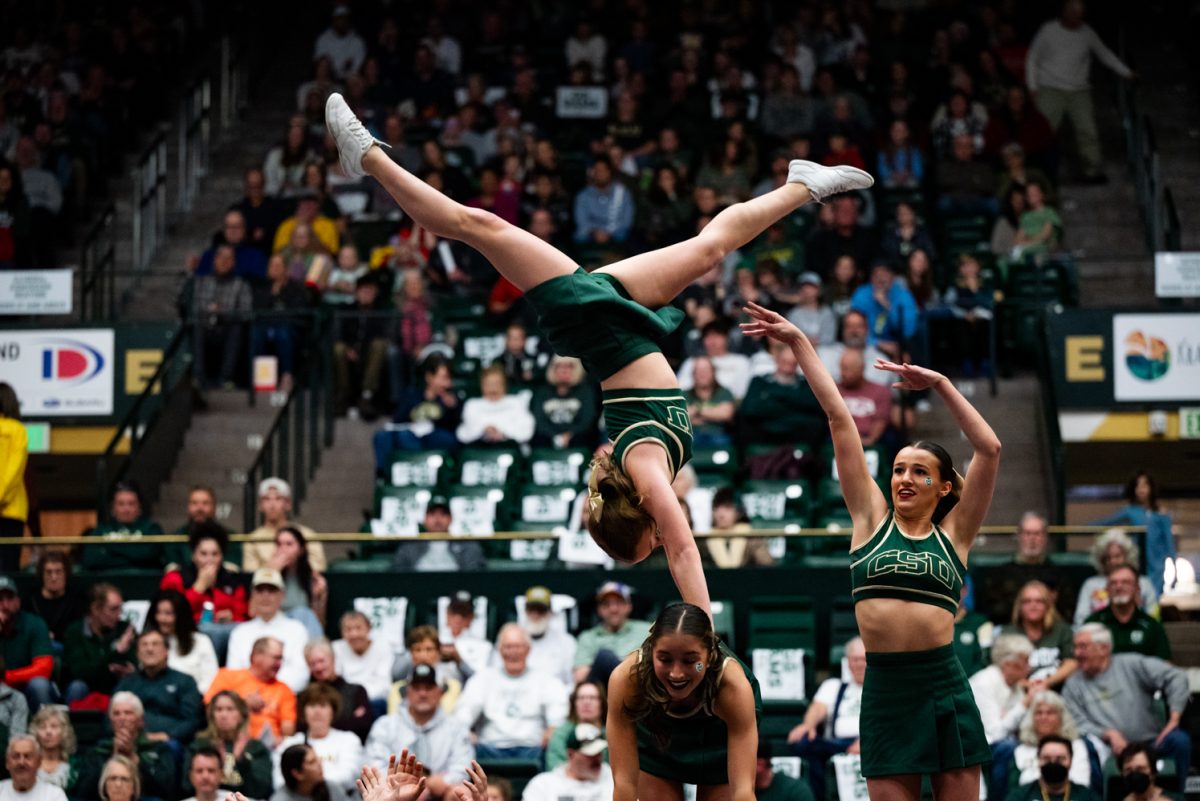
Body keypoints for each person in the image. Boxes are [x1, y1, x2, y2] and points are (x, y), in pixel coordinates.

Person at [328, 91, 872, 615]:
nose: (660, 542)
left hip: (598, 325)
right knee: (709, 249)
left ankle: (369, 156)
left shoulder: (645, 469)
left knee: (481, 226)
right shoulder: (647, 472)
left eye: (647, 544)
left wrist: (703, 627)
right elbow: (674, 543)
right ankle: (803, 185)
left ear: (638, 517)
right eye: (652, 548)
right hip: (618, 324)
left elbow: (684, 550)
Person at [741, 300, 1001, 800]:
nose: (904, 478)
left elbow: (989, 449)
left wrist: (943, 385)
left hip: (944, 683)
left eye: (919, 472)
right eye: (900, 468)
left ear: (945, 488)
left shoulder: (957, 535)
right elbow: (840, 417)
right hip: (884, 687)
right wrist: (799, 342)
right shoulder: (870, 519)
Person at [606, 602, 760, 801]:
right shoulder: (628, 680)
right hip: (658, 739)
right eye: (665, 659)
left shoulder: (733, 688)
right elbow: (624, 783)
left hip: (718, 739)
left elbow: (743, 792)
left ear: (710, 656)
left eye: (689, 661)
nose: (676, 673)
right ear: (652, 651)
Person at [1061, 624, 1190, 778]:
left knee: (1180, 741)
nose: (1076, 653)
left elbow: (1177, 677)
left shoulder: (1131, 663)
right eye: (1075, 648)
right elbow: (1075, 722)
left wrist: (1174, 719)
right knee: (1083, 747)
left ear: (1104, 648)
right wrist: (1107, 734)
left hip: (1150, 742)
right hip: (1105, 748)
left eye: (1083, 647)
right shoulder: (1073, 684)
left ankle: (1174, 796)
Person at [1025, 0, 1134, 183]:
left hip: (1078, 91)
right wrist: (1032, 86)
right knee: (1042, 131)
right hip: (1050, 87)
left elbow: (1104, 54)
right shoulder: (1048, 30)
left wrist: (1127, 72)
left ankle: (1093, 171)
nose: (1078, 17)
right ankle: (1034, 171)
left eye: (1081, 13)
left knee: (1087, 131)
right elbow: (1032, 59)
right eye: (1074, 12)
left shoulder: (1087, 33)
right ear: (1065, 12)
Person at [453, 625, 568, 761]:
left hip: (532, 749)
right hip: (489, 749)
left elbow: (557, 716)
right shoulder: (482, 678)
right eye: (508, 647)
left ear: (528, 650)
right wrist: (466, 731)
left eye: (518, 646)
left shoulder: (546, 680)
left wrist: (553, 729)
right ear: (500, 650)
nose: (513, 652)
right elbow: (463, 713)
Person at [365, 664, 474, 799]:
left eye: (429, 688)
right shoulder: (385, 725)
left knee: (463, 792)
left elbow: (462, 768)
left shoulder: (456, 727)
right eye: (417, 688)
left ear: (440, 692)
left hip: (440, 792)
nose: (423, 694)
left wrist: (438, 782)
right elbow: (374, 766)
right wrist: (401, 785)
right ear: (407, 692)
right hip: (396, 793)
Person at [788, 636, 866, 799]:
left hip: (872, 742)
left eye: (864, 659)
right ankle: (819, 797)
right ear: (848, 662)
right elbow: (818, 708)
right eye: (855, 659)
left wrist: (866, 741)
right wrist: (808, 725)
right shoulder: (833, 686)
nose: (859, 664)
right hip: (836, 744)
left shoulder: (881, 689)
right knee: (803, 742)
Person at [159, 522, 248, 660]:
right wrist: (199, 587)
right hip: (186, 637)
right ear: (193, 555)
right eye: (203, 554)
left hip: (226, 639)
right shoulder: (175, 578)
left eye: (215, 554)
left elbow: (243, 617)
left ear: (222, 557)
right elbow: (171, 613)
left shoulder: (233, 581)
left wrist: (231, 617)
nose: (209, 560)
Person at [112, 630, 203, 754]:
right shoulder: (126, 683)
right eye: (144, 645)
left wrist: (168, 735)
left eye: (155, 644)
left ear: (166, 651)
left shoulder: (185, 681)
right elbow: (111, 716)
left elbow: (191, 720)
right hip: (131, 740)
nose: (150, 649)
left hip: (170, 743)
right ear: (137, 653)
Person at [74, 694, 176, 801]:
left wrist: (134, 758)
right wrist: (113, 760)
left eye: (128, 713)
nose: (122, 718)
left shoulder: (159, 749)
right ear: (111, 720)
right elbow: (83, 793)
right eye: (116, 714)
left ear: (141, 720)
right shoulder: (98, 751)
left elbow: (168, 792)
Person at [968, 634, 1034, 795]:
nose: (1029, 667)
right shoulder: (983, 683)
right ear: (1008, 664)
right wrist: (1024, 704)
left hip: (1002, 742)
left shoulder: (1015, 686)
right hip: (976, 747)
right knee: (1007, 747)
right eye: (1025, 661)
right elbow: (995, 733)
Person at [1092, 471, 1175, 597]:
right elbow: (1106, 521)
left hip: (1157, 565)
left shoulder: (1162, 515)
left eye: (1144, 485)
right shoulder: (1130, 511)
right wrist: (1073, 528)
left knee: (1153, 597)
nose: (1141, 489)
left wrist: (1174, 568)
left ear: (1151, 488)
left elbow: (1169, 544)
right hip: (1137, 563)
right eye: (1138, 486)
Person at [226, 570, 311, 693]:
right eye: (260, 591)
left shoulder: (297, 630)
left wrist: (270, 693)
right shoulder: (239, 632)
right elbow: (233, 674)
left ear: (282, 595)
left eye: (271, 591)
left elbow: (301, 674)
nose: (265, 596)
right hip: (246, 701)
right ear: (253, 595)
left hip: (285, 699)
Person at [274, 684, 363, 797]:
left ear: (333, 711)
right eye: (311, 705)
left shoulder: (349, 740)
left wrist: (307, 783)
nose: (317, 711)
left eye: (323, 705)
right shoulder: (289, 743)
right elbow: (279, 781)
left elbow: (348, 777)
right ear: (304, 712)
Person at [204, 637, 297, 743]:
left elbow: (288, 729)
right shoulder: (226, 677)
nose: (279, 664)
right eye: (276, 658)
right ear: (257, 656)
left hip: (269, 749)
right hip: (227, 741)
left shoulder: (284, 690)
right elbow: (209, 708)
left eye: (281, 659)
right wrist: (243, 705)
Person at [189, 245, 253, 390]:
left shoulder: (241, 284)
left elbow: (246, 312)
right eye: (221, 257)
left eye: (229, 258)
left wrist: (223, 312)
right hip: (206, 327)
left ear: (234, 262)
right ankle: (198, 378)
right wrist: (190, 271)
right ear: (215, 260)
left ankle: (226, 379)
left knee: (237, 330)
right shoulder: (202, 282)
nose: (225, 261)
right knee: (196, 327)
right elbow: (194, 308)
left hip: (227, 328)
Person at [188, 691, 272, 799]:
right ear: (212, 715)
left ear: (242, 714)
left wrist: (241, 760)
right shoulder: (200, 745)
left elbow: (261, 791)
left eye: (230, 709)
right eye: (218, 709)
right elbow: (186, 787)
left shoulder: (255, 747)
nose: (223, 715)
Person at [61, 584, 137, 701]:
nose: (119, 614)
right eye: (113, 609)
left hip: (117, 688)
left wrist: (131, 670)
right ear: (95, 609)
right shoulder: (75, 632)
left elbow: (135, 662)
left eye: (120, 608)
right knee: (77, 687)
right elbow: (81, 673)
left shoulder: (124, 629)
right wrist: (116, 652)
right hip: (87, 689)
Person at [1073, 529, 1159, 626]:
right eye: (1107, 558)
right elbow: (1080, 620)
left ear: (1128, 556)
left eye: (1117, 556)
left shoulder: (1144, 583)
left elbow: (1154, 616)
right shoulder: (1090, 584)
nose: (1112, 562)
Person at [242, 478, 328, 573]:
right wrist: (271, 569)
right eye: (267, 499)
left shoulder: (307, 534)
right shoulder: (252, 540)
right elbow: (250, 575)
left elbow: (318, 568)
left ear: (288, 504)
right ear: (260, 505)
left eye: (278, 498)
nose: (272, 504)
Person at [572, 582, 651, 686]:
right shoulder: (588, 637)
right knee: (604, 657)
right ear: (599, 610)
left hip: (638, 689)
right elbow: (580, 678)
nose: (613, 609)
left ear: (629, 606)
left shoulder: (646, 630)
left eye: (619, 602)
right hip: (602, 693)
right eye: (606, 604)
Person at [1084, 566, 1171, 659]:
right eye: (1113, 583)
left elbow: (1164, 666)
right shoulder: (1092, 623)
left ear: (1137, 588)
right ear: (1107, 589)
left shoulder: (1152, 626)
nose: (1119, 587)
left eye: (1125, 582)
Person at [1001, 581, 1076, 688]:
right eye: (1027, 601)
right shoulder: (1008, 633)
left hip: (1056, 693)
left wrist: (1047, 683)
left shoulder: (1062, 630)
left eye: (1039, 601)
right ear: (1019, 606)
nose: (1033, 605)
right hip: (1018, 693)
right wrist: (1027, 685)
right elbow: (1000, 670)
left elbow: (1072, 663)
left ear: (1048, 605)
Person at [1011, 691, 1092, 790]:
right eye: (1038, 713)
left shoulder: (1076, 746)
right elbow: (1013, 791)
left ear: (1062, 717)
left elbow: (1081, 784)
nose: (1043, 717)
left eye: (1050, 713)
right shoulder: (1021, 750)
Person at [146, 590, 220, 694]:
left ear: (181, 616)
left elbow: (211, 681)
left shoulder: (201, 641)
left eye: (168, 613)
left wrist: (188, 697)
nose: (162, 619)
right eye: (158, 613)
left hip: (193, 702)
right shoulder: (148, 643)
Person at [80, 483, 165, 571]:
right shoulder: (101, 530)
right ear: (113, 508)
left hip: (143, 580)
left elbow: (151, 556)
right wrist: (135, 557)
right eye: (121, 504)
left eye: (131, 504)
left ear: (139, 507)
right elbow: (91, 560)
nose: (126, 509)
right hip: (108, 581)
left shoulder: (152, 528)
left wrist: (109, 547)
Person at [0, 577, 55, 710]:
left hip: (26, 687)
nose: (4, 605)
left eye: (9, 598)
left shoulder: (34, 624)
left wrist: (6, 677)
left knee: (40, 685)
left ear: (17, 602)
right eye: (0, 599)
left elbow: (44, 669)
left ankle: (47, 728)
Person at [305, 639, 373, 743]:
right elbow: (301, 727)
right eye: (312, 664)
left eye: (321, 661)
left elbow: (363, 725)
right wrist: (348, 720)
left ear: (333, 658)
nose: (318, 667)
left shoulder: (357, 691)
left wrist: (320, 723)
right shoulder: (304, 696)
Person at [521, 724, 612, 801]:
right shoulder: (543, 785)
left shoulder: (613, 779)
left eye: (599, 752)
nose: (597, 758)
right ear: (571, 754)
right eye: (590, 754)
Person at [391, 499, 486, 573]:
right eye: (432, 514)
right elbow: (396, 573)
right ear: (424, 519)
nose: (438, 519)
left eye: (443, 514)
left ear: (451, 519)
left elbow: (476, 574)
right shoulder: (409, 547)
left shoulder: (468, 545)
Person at [454, 367, 535, 447]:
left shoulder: (516, 402)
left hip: (510, 447)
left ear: (504, 385)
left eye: (497, 383)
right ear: (482, 385)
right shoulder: (472, 404)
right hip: (479, 448)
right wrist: (483, 431)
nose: (493, 388)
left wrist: (503, 433)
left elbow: (527, 432)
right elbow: (463, 434)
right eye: (488, 384)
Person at [514, 586, 576, 689]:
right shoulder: (512, 640)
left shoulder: (566, 643)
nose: (535, 615)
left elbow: (571, 682)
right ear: (525, 612)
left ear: (550, 613)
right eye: (531, 610)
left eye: (540, 610)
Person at [530, 357, 599, 450]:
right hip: (546, 441)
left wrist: (570, 434)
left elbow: (587, 420)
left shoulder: (586, 391)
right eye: (559, 366)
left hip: (579, 441)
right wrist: (556, 436)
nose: (563, 370)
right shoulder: (542, 392)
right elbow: (539, 421)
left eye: (569, 366)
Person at [272, 526, 327, 639]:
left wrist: (319, 598)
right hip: (274, 629)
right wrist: (273, 574)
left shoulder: (313, 578)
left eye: (289, 544)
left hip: (302, 632)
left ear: (301, 549)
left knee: (303, 613)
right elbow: (254, 612)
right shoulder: (266, 576)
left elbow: (318, 622)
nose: (283, 549)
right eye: (279, 544)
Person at [1005, 734, 1098, 801]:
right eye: (1047, 758)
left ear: (1070, 761)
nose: (1053, 763)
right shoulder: (1020, 796)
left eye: (1060, 759)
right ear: (1038, 760)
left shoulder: (1087, 796)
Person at [21, 553, 85, 648]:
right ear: (42, 574)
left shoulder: (76, 600)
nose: (54, 577)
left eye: (58, 572)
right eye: (48, 572)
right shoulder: (30, 600)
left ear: (66, 574)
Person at [333, 612, 392, 714]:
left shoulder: (383, 648)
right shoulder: (335, 648)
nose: (354, 634)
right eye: (348, 630)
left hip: (373, 700)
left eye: (358, 628)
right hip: (344, 700)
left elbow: (383, 686)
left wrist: (359, 698)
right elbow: (336, 681)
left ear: (369, 628)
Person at [545, 682, 606, 771]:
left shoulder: (611, 734)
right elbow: (555, 769)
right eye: (581, 698)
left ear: (602, 704)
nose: (586, 702)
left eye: (592, 698)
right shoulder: (560, 735)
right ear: (574, 704)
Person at [0, 384, 28, 573]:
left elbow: (13, 470)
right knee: (8, 571)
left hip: (10, 512)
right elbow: (14, 470)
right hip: (11, 511)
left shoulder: (16, 430)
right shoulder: (18, 429)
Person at [0, 735, 67, 801]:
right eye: (16, 756)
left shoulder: (54, 795)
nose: (21, 762)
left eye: (27, 756)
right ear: (7, 763)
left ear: (38, 762)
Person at [271, 743, 339, 801]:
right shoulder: (281, 799)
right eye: (312, 762)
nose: (320, 764)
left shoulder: (331, 787)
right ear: (297, 774)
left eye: (318, 759)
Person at [30, 707, 75, 790]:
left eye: (54, 726)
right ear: (36, 732)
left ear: (64, 731)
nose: (48, 732)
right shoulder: (27, 764)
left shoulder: (74, 765)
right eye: (43, 727)